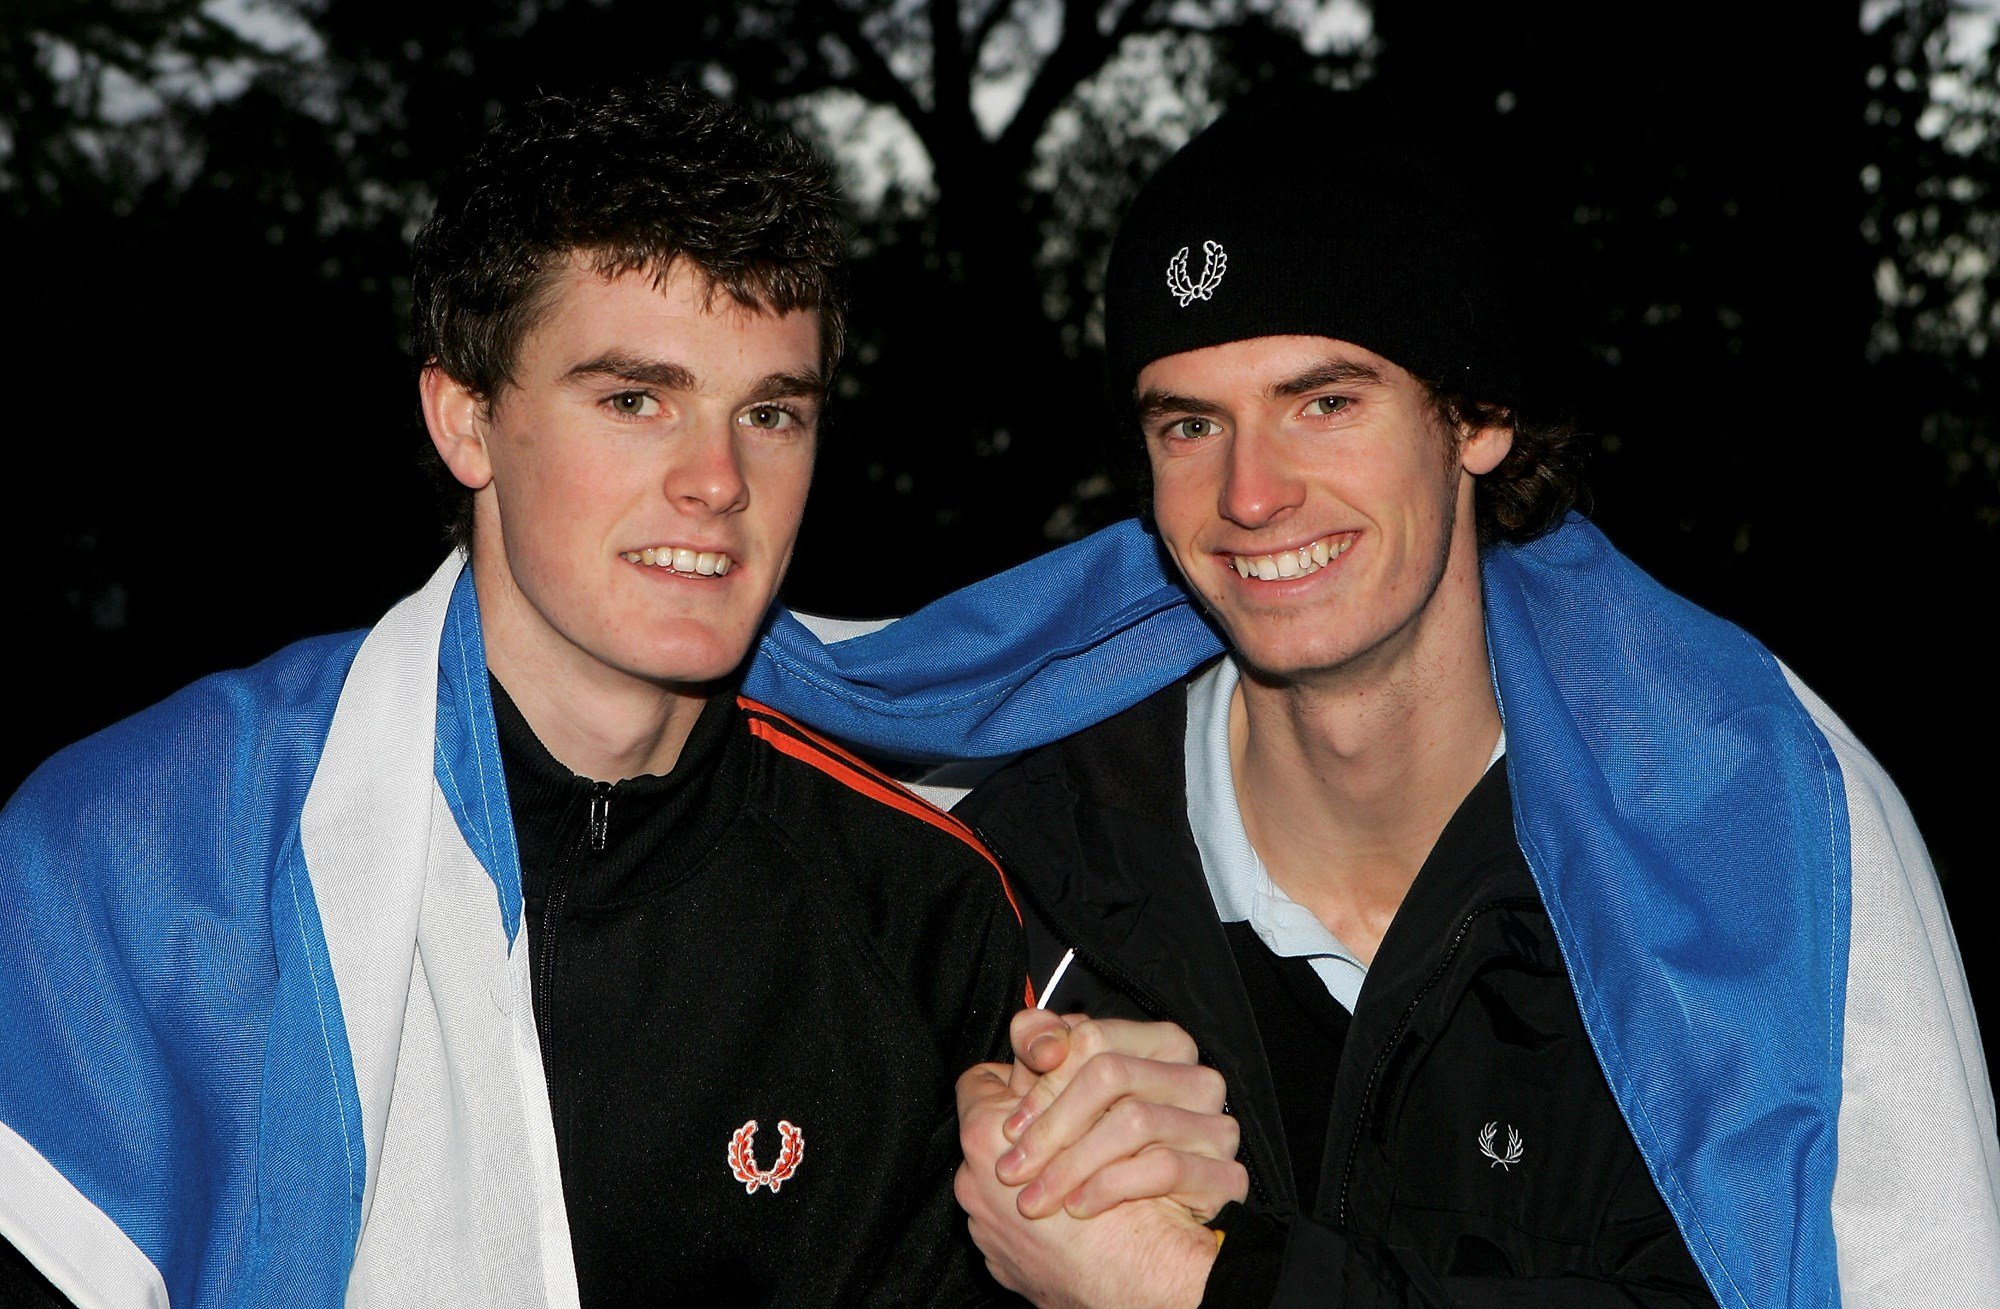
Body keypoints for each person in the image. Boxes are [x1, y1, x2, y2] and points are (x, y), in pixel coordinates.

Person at [738, 93, 2000, 1307]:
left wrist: (1193, 1283)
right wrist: (981, 1186)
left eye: (1323, 403)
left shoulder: (1738, 862)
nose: (1250, 493)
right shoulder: (1013, 874)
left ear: (1480, 418)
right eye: (1188, 425)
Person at [0, 83, 1036, 1307]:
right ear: (466, 422)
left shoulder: (917, 905)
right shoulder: (137, 855)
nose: (717, 479)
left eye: (768, 412)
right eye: (634, 399)